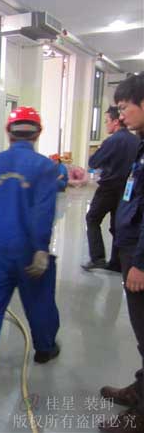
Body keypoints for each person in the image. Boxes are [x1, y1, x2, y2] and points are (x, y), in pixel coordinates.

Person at [0, 106, 60, 387]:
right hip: (29, 251)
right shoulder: (45, 167)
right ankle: (44, 349)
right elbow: (43, 211)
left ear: (9, 133)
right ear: (38, 133)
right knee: (39, 300)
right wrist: (41, 248)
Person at [98, 74, 144, 433]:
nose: (121, 114)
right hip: (130, 247)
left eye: (125, 107)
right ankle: (139, 390)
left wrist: (140, 263)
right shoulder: (140, 143)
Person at [82, 106, 139, 272]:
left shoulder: (112, 141)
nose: (106, 124)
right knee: (117, 224)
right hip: (127, 190)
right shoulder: (135, 141)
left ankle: (97, 258)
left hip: (108, 188)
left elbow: (94, 162)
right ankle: (117, 262)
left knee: (92, 218)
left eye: (107, 121)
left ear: (115, 122)